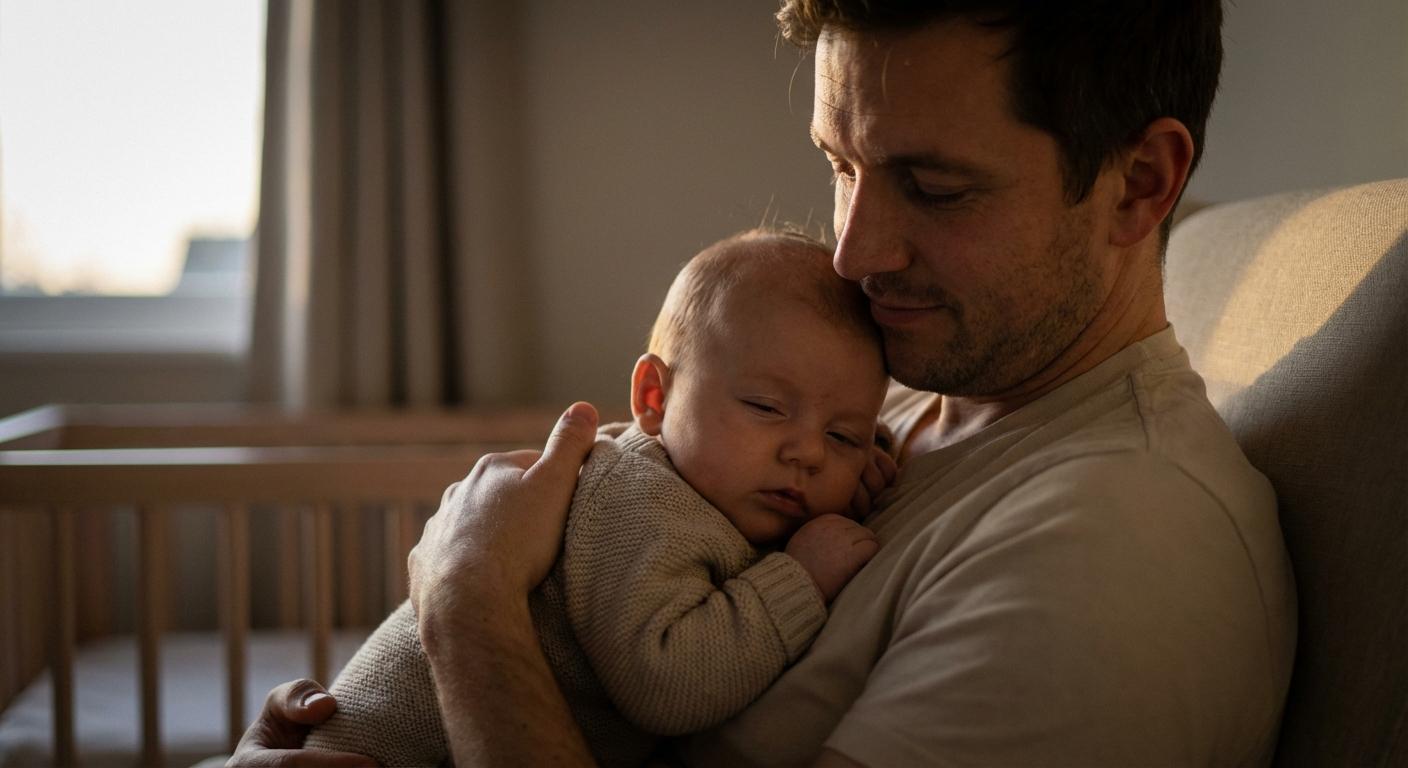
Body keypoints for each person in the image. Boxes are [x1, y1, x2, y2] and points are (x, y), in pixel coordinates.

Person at [230, 1, 1297, 766]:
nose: (854, 253)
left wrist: (466, 605)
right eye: (841, 166)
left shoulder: (1106, 553)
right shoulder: (890, 397)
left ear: (1139, 183)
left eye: (932, 187)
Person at [300, 228, 893, 767]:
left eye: (844, 436)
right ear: (655, 398)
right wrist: (799, 579)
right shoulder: (639, 497)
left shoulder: (718, 491)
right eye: (766, 407)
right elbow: (668, 686)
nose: (809, 453)